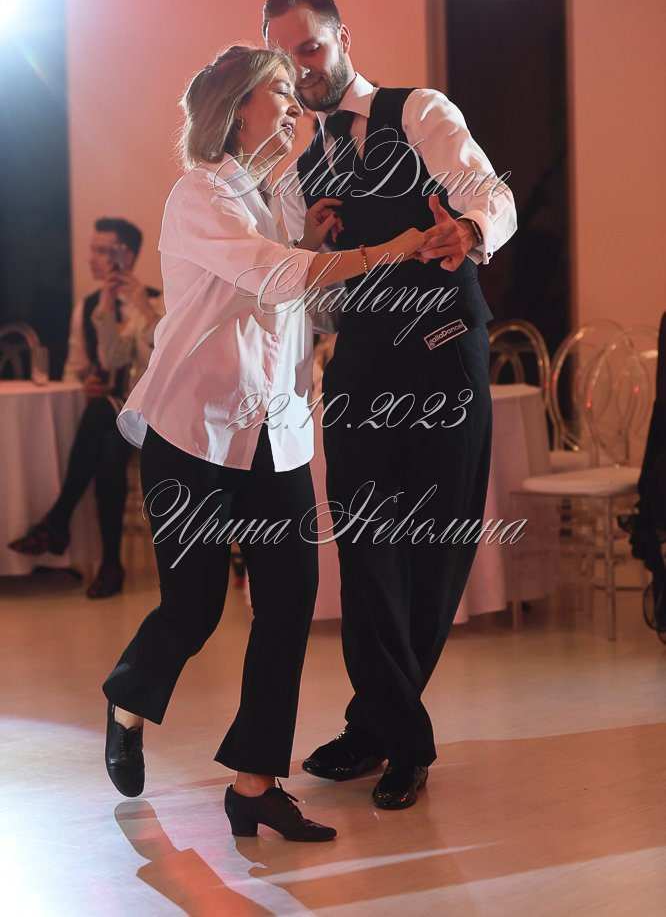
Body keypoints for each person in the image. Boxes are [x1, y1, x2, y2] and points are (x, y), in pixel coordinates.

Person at [100, 44, 427, 842]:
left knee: (287, 603)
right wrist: (387, 248)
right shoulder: (200, 193)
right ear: (236, 105)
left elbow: (296, 305)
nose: (293, 103)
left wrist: (316, 250)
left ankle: (255, 783)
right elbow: (274, 277)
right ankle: (128, 696)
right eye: (278, 90)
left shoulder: (276, 195)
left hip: (276, 434)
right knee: (195, 607)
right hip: (195, 430)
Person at [264, 0, 518, 809]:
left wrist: (468, 231)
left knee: (433, 550)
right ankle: (398, 737)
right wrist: (308, 253)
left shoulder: (418, 112)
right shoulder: (297, 171)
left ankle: (375, 726)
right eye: (285, 57)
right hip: (362, 366)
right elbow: (305, 295)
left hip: (444, 354)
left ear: (341, 38)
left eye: (310, 48)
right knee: (365, 549)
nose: (302, 69)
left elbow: (493, 195)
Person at [8, 218, 163, 598]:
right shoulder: (91, 308)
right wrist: (106, 310)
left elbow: (162, 363)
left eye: (103, 250)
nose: (93, 258)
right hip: (112, 420)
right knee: (107, 441)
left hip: (154, 418)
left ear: (128, 255)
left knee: (101, 417)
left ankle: (57, 521)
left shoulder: (158, 300)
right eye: (93, 249)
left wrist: (143, 307)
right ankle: (110, 564)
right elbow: (106, 363)